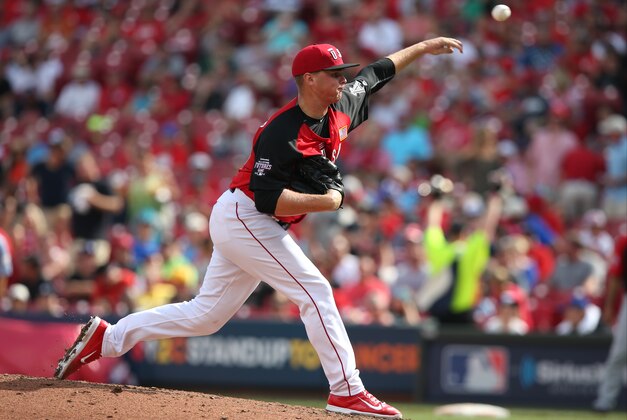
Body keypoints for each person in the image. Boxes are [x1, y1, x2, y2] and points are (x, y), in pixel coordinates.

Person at [54, 36, 464, 419]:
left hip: (252, 222)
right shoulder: (281, 133)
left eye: (343, 73)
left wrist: (426, 47)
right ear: (308, 79)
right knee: (315, 291)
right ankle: (347, 389)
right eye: (334, 74)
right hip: (247, 215)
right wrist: (329, 201)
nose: (343, 80)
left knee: (206, 316)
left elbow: (378, 72)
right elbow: (269, 199)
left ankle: (106, 338)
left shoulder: (341, 106)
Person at [593, 231, 627, 412]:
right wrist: (609, 306)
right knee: (619, 353)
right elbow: (615, 274)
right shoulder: (624, 239)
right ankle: (605, 401)